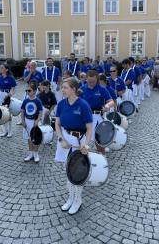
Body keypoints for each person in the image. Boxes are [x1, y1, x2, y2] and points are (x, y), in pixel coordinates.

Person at [55, 77, 92, 215]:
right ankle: (71, 198)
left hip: (78, 141)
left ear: (74, 89)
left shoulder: (83, 105)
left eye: (65, 87)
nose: (62, 90)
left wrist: (86, 144)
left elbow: (89, 128)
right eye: (62, 87)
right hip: (64, 140)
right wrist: (61, 139)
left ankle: (78, 200)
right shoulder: (61, 104)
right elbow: (57, 124)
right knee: (67, 171)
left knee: (78, 173)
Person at [80, 70, 114, 154]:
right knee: (82, 141)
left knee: (99, 140)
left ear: (97, 79)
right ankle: (84, 161)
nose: (91, 83)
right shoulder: (82, 89)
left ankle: (102, 159)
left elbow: (111, 101)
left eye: (93, 81)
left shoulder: (101, 89)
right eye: (89, 81)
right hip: (84, 117)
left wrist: (107, 106)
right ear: (86, 79)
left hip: (97, 116)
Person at [21, 82, 43, 163]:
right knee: (29, 139)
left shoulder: (38, 101)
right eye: (26, 90)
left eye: (29, 90)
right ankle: (30, 154)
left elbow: (40, 112)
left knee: (36, 138)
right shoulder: (25, 101)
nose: (27, 92)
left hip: (35, 122)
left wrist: (37, 121)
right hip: (27, 121)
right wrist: (23, 120)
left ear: (34, 91)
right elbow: (22, 111)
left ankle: (36, 154)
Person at [0, 64, 17, 137]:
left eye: (2, 68)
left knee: (8, 113)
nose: (0, 69)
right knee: (2, 113)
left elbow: (13, 89)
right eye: (0, 68)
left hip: (7, 95)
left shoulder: (10, 78)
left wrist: (9, 95)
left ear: (6, 69)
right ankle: (5, 131)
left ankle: (10, 131)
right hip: (0, 94)